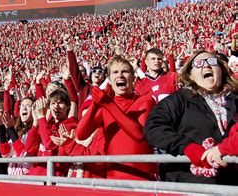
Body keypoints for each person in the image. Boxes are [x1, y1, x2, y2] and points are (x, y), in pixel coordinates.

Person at [145, 50, 238, 185]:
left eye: (211, 62)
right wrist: (186, 146)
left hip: (231, 183)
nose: (206, 66)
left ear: (222, 69)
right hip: (191, 183)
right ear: (190, 75)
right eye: (199, 63)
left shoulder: (235, 99)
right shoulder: (180, 99)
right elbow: (153, 127)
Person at [76, 56, 157, 180]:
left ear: (133, 78)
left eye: (125, 71)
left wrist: (108, 104)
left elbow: (140, 135)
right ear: (109, 80)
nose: (120, 75)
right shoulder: (105, 105)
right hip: (114, 178)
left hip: (142, 178)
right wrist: (95, 104)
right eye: (115, 72)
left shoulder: (145, 100)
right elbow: (81, 134)